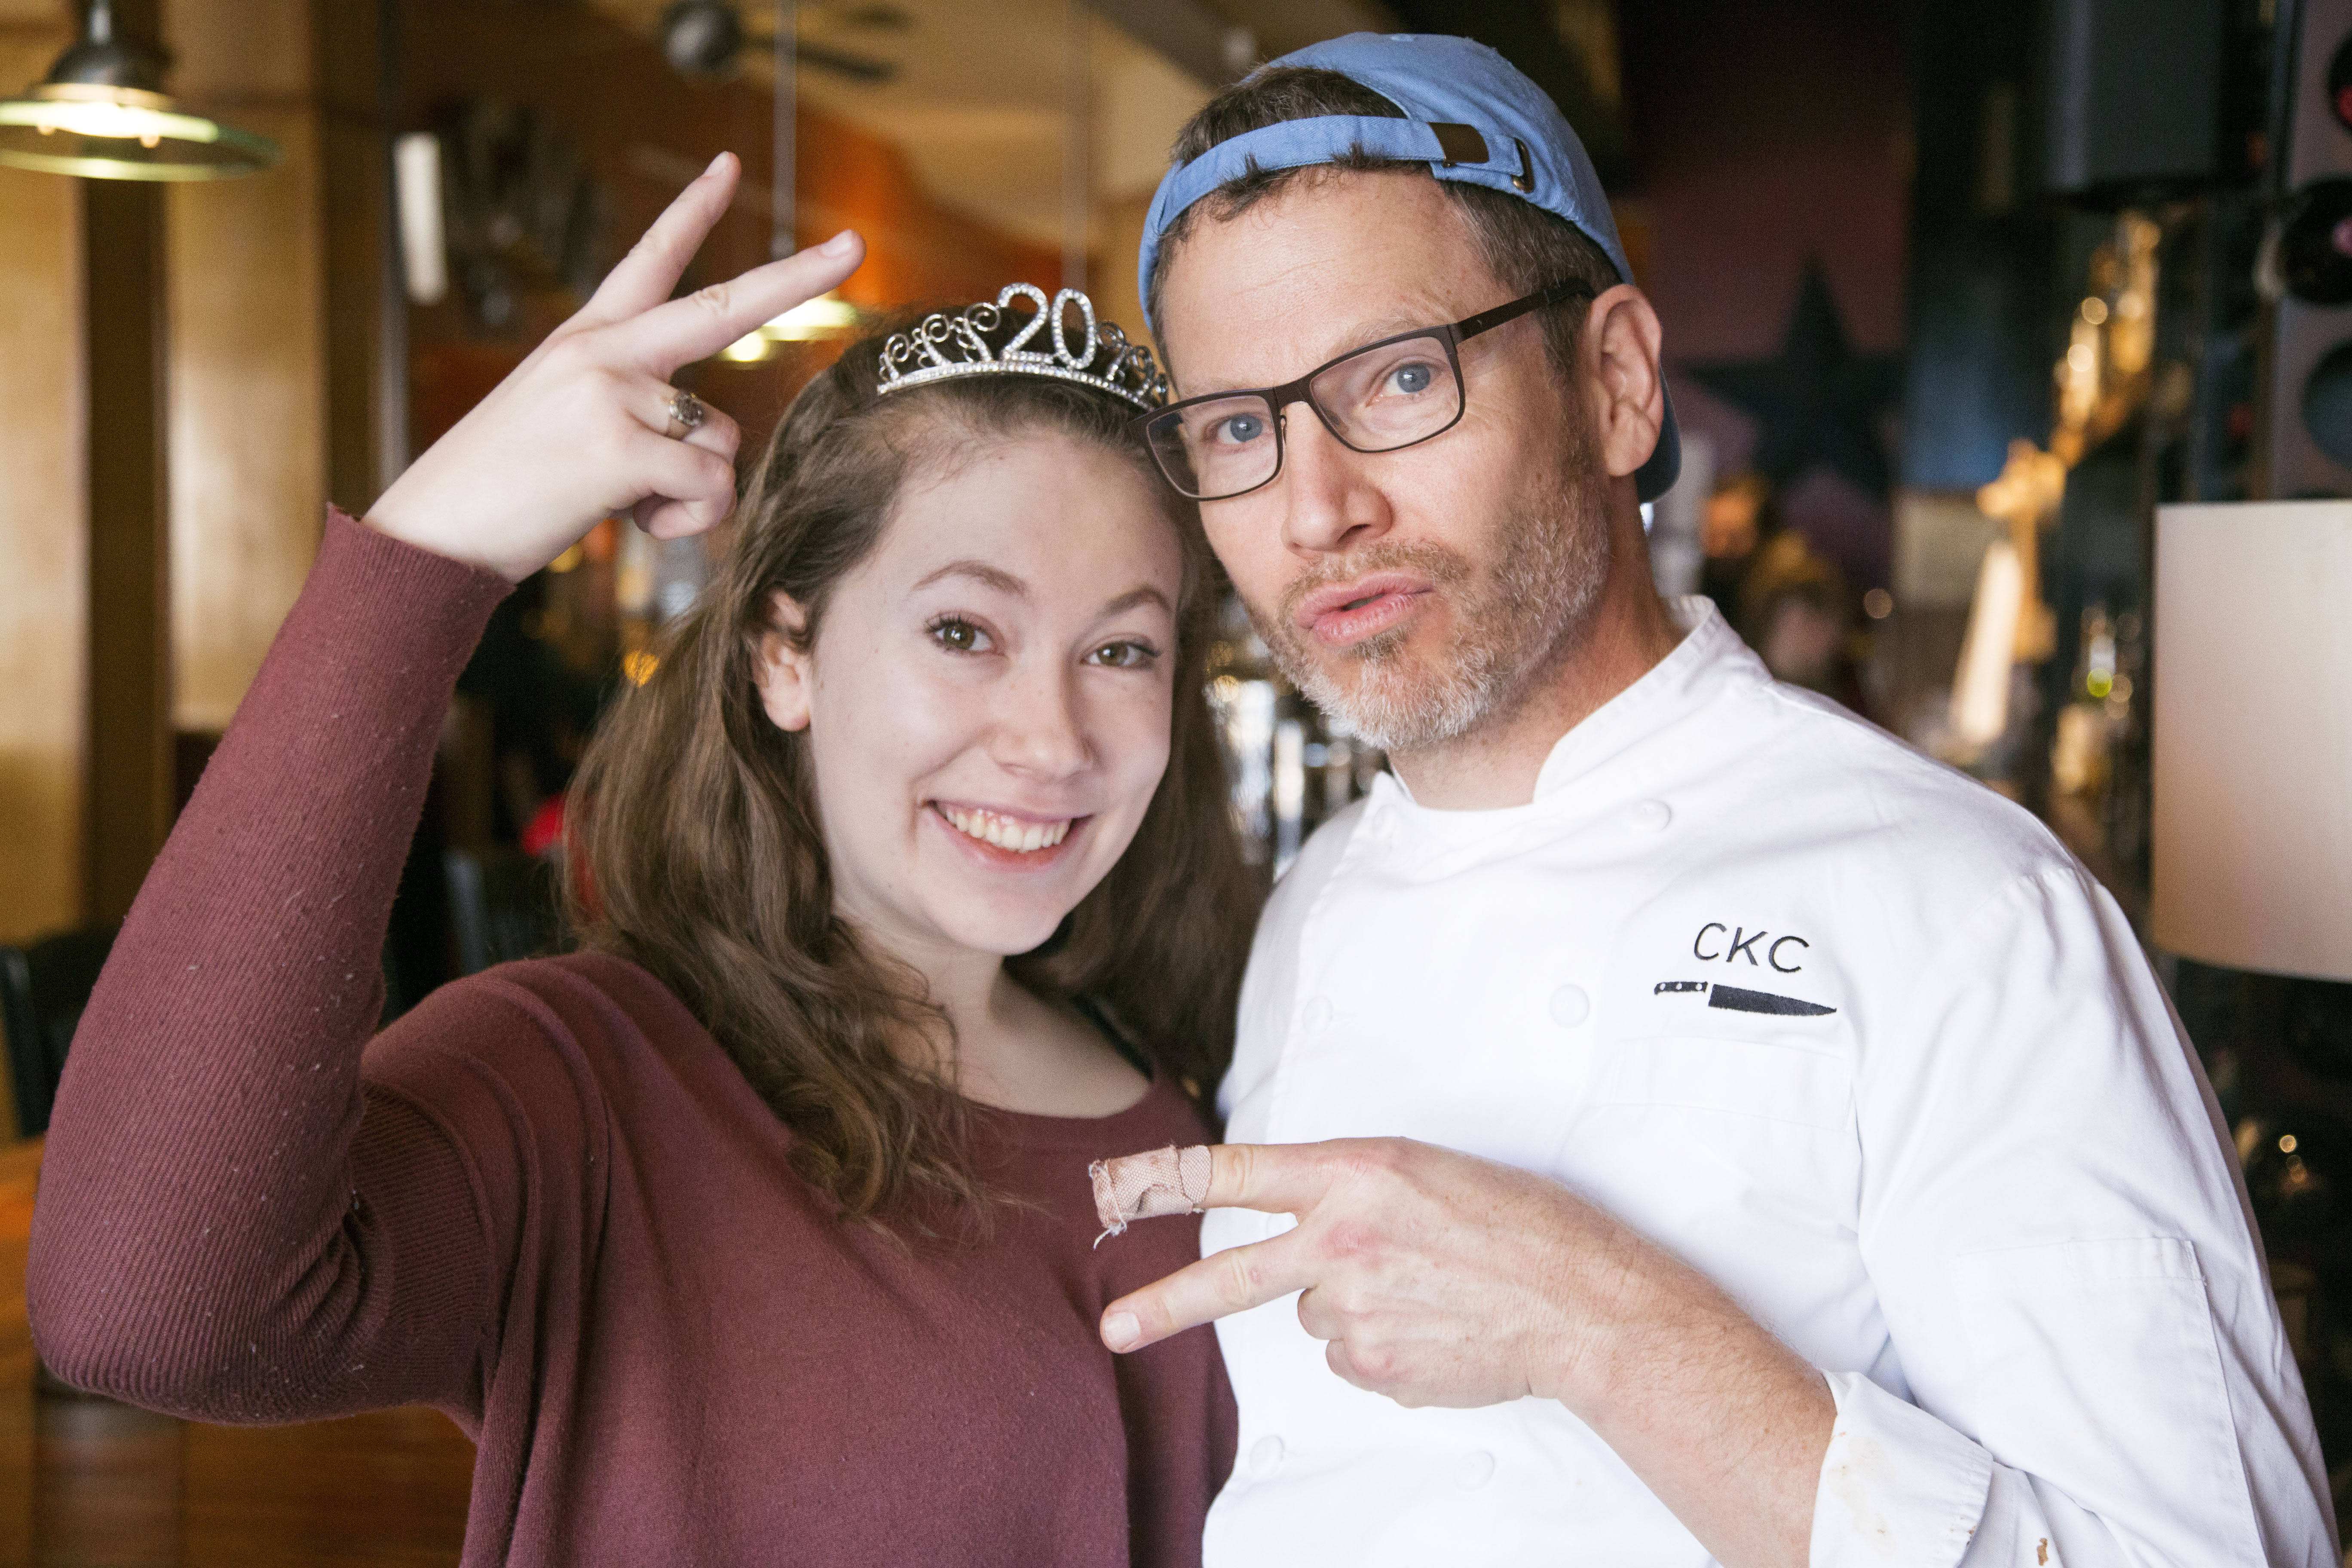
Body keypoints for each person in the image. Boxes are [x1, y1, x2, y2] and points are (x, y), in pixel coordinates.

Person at [1094, 34, 2335, 1568]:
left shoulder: (1968, 915)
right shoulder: (1310, 904)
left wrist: (1603, 1324)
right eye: (1237, 427)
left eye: (1402, 378)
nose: (1316, 510)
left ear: (1617, 384)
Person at [27, 157, 1253, 1566]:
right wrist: (429, 557)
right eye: (964, 632)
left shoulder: (1204, 1095)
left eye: (1121, 650)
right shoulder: (595, 1083)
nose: (1052, 739)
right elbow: (146, 1313)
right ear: (785, 655)